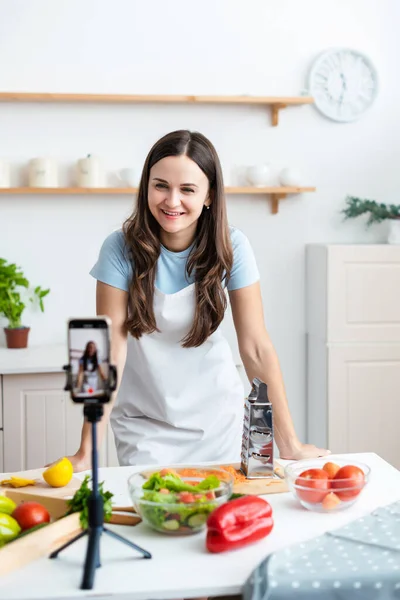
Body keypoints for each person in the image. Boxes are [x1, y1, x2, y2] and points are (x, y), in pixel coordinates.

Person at [68, 130, 329, 471]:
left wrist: (289, 444)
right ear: (146, 186)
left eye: (187, 189)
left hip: (219, 420)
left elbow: (255, 348)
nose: (171, 201)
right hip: (144, 423)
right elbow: (109, 353)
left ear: (209, 196)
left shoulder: (232, 246)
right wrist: (87, 450)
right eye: (160, 185)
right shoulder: (119, 249)